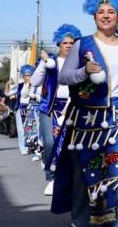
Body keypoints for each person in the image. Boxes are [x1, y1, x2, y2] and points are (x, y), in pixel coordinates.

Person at [55, 0, 118, 227]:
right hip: (87, 116)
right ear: (93, 16)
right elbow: (64, 76)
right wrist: (84, 72)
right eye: (100, 11)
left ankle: (117, 225)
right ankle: (80, 220)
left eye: (111, 11)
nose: (105, 15)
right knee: (85, 171)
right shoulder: (83, 45)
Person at [31, 23, 81, 196]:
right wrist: (44, 63)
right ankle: (51, 177)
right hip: (50, 107)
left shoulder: (78, 62)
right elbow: (35, 82)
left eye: (71, 42)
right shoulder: (51, 61)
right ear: (59, 43)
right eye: (65, 42)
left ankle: (69, 178)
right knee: (50, 143)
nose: (68, 45)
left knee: (71, 145)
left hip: (72, 107)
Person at [9, 64, 38, 156]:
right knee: (21, 130)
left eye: (30, 75)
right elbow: (8, 93)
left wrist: (31, 85)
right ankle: (23, 148)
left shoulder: (35, 85)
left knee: (30, 129)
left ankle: (31, 147)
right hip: (20, 108)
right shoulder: (20, 85)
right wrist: (7, 84)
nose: (28, 77)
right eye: (26, 75)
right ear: (23, 76)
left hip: (31, 108)